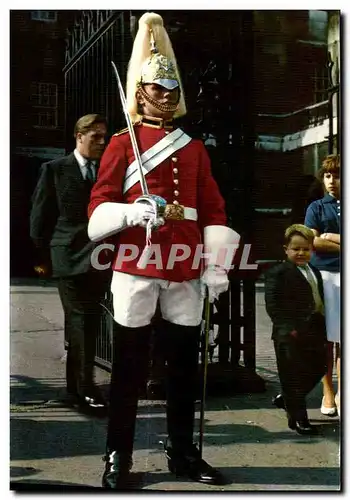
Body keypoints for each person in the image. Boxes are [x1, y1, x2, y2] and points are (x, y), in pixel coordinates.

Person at [87, 12, 240, 488]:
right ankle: (118, 454)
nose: (167, 96)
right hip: (137, 262)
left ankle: (182, 452)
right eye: (158, 88)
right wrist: (130, 214)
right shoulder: (119, 144)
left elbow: (212, 208)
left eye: (173, 90)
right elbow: (97, 209)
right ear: (139, 92)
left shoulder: (194, 148)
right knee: (129, 369)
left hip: (185, 266)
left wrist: (216, 265)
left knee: (183, 370)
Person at [30, 114, 111, 415]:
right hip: (68, 256)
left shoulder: (107, 171)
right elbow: (40, 216)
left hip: (99, 258)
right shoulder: (54, 169)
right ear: (79, 136)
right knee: (81, 320)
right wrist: (41, 259)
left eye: (104, 136)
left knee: (84, 322)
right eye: (96, 137)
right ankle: (85, 388)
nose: (102, 142)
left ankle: (74, 389)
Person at [265, 224, 328, 435]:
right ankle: (299, 420)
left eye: (306, 249)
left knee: (319, 366)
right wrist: (288, 328)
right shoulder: (278, 273)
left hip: (313, 330)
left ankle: (287, 398)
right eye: (296, 249)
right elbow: (273, 304)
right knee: (291, 374)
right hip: (289, 333)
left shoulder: (315, 271)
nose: (301, 253)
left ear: (312, 249)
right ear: (286, 249)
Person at [304, 154, 341, 417]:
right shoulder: (316, 208)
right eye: (328, 176)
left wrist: (335, 237)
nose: (332, 181)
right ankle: (328, 391)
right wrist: (323, 239)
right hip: (326, 276)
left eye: (337, 175)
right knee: (327, 339)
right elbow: (313, 242)